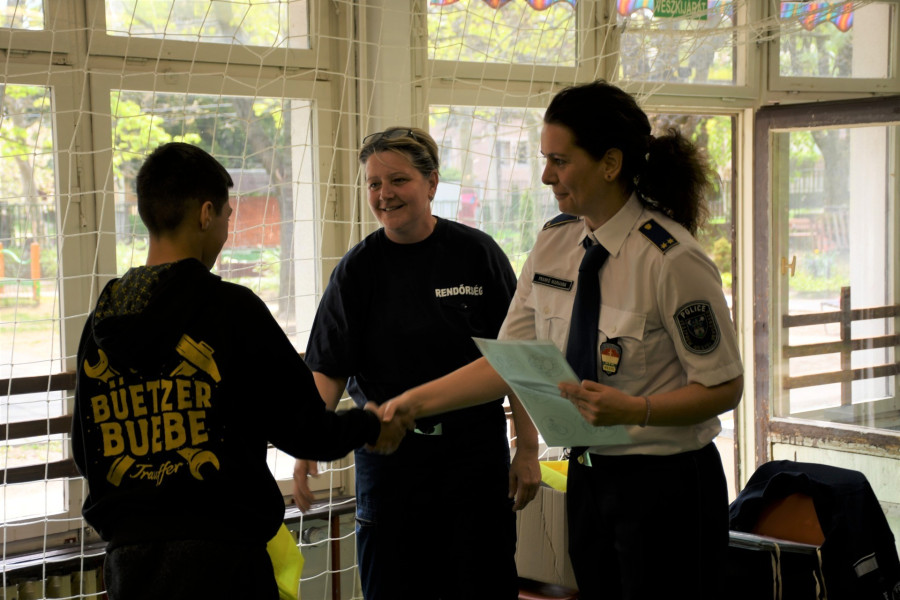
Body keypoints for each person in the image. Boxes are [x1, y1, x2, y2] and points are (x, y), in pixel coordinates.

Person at [380, 81, 745, 599]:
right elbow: (509, 361)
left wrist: (636, 409)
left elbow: (725, 387)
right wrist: (413, 403)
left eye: (560, 161)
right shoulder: (555, 243)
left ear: (610, 164)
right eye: (544, 160)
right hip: (588, 478)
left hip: (665, 484)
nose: (546, 175)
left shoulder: (671, 259)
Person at [71, 142, 405, 600]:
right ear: (205, 214)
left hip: (130, 567)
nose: (227, 231)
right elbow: (306, 429)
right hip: (222, 563)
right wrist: (369, 425)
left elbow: (85, 448)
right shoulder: (231, 310)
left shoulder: (102, 323)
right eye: (228, 216)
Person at [291, 126, 541, 600]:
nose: (384, 194)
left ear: (432, 183)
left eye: (398, 180)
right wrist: (306, 441)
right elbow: (328, 367)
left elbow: (517, 359)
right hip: (390, 462)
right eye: (374, 183)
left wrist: (527, 446)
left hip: (473, 458)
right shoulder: (357, 270)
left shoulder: (477, 254)